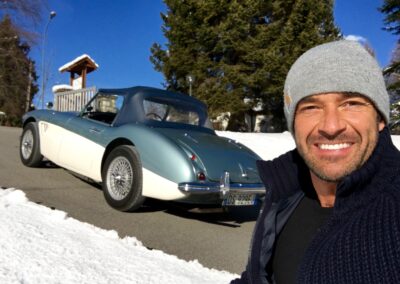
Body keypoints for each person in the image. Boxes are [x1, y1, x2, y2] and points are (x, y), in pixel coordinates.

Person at [232, 40, 400, 283]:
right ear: (293, 124)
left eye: (351, 103)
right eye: (311, 107)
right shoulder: (286, 193)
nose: (331, 126)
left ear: (380, 119)